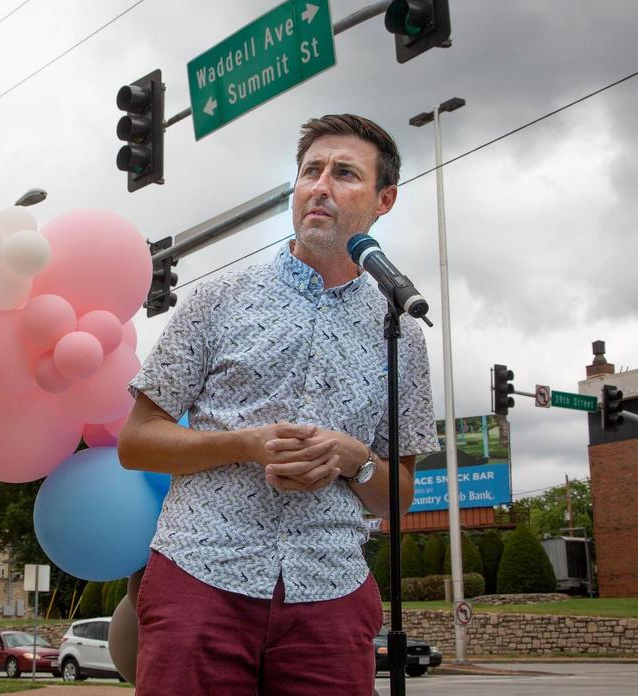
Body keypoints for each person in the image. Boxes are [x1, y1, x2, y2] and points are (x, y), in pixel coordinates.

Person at [118, 113, 440, 696]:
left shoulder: (401, 330)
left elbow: (400, 495)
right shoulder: (217, 300)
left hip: (331, 589)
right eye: (310, 171)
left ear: (384, 200)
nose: (320, 186)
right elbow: (136, 441)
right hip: (201, 572)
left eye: (345, 174)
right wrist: (242, 443)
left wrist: (357, 459)